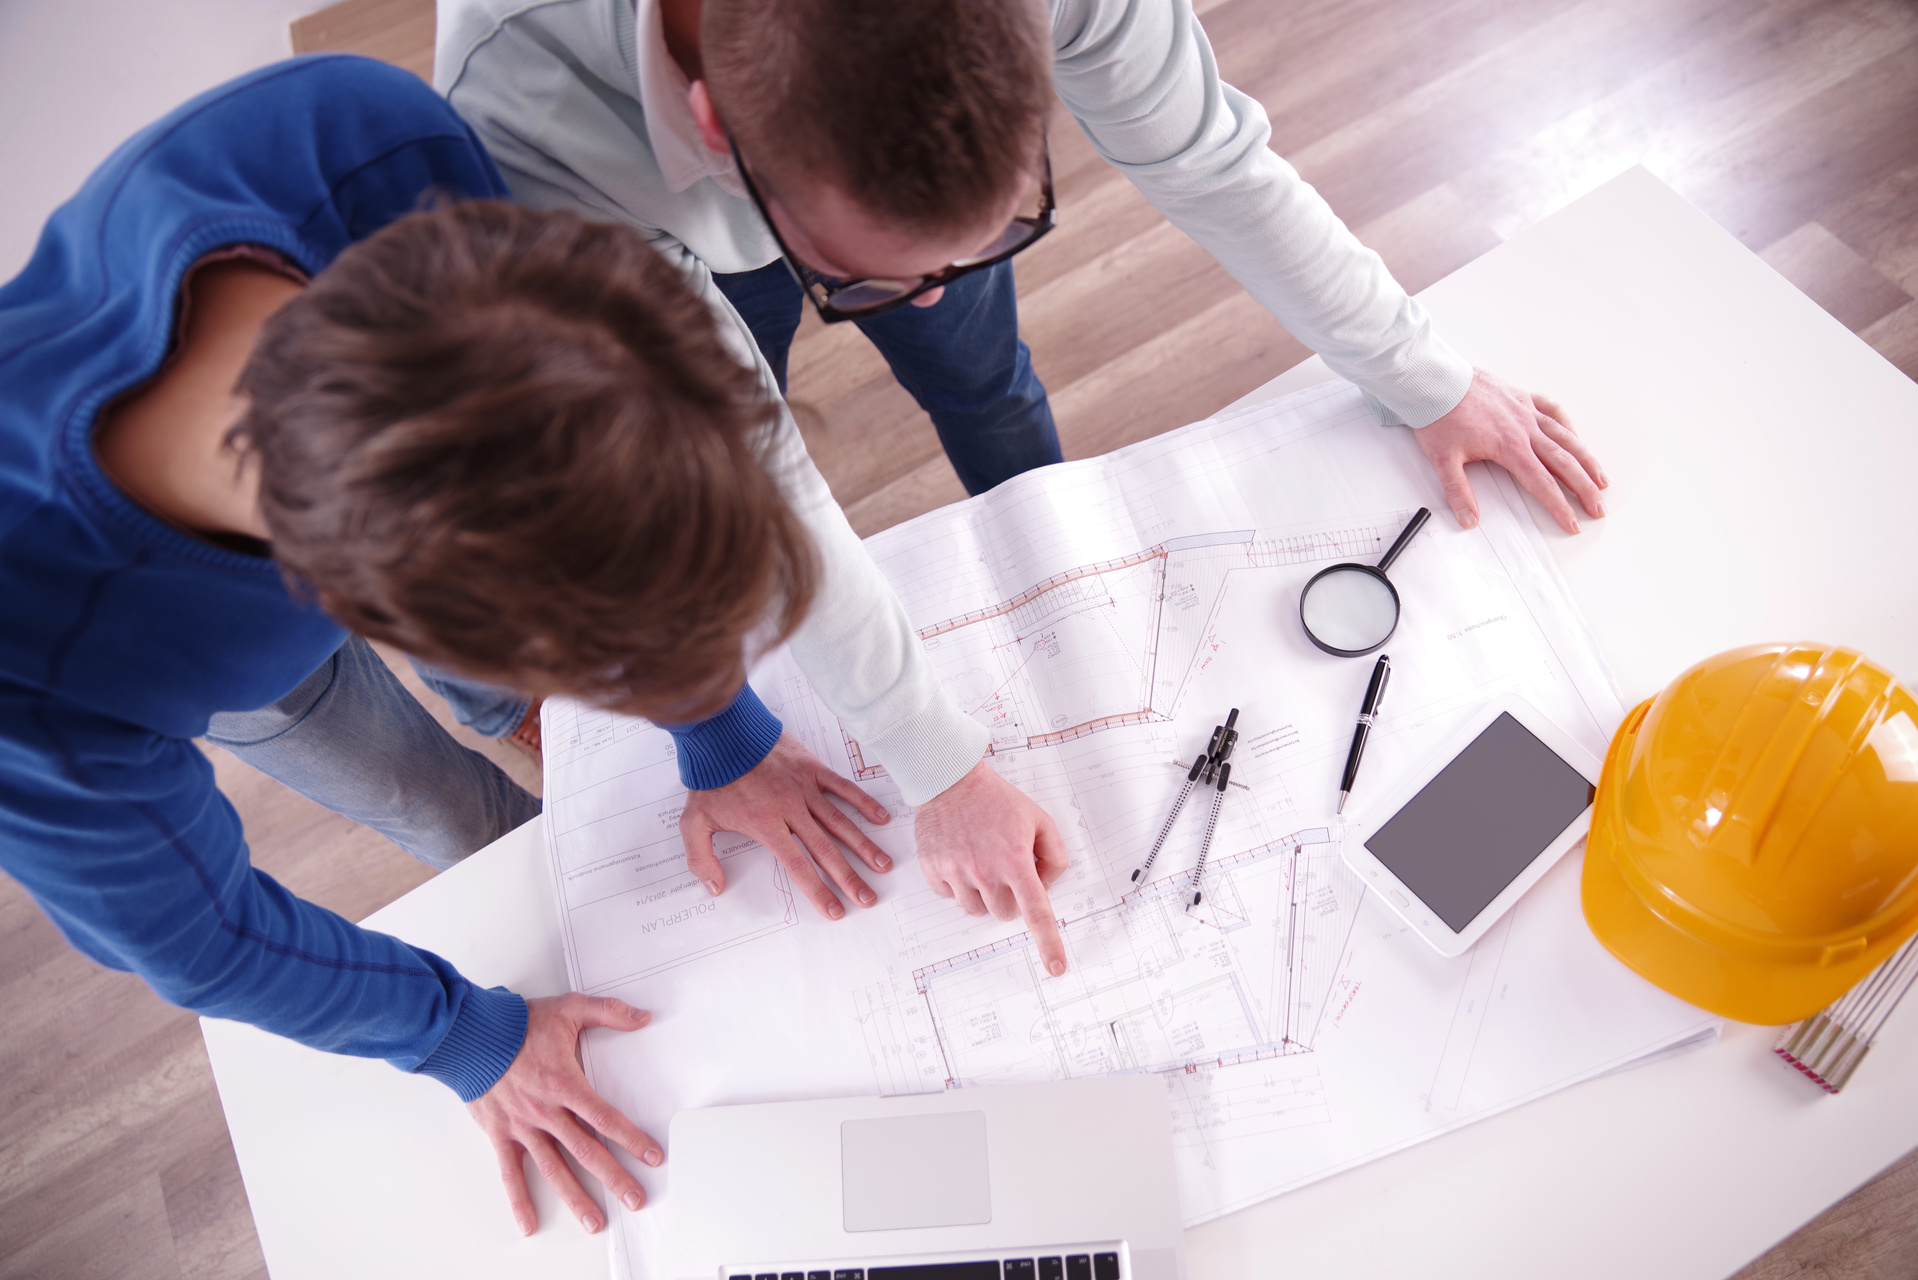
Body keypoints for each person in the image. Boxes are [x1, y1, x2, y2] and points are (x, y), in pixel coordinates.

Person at [0, 53, 1062, 1239]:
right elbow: (204, 940)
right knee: (422, 798)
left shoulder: (364, 138)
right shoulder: (37, 700)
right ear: (406, 626)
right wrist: (463, 1033)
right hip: (174, 670)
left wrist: (724, 734)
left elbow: (621, 506)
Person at [437, 0, 1608, 536]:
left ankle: (1046, 538)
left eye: (989, 234)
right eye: (871, 273)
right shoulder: (516, 93)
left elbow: (1216, 165)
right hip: (657, 232)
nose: (938, 290)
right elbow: (739, 444)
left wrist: (1423, 375)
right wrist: (923, 749)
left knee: (984, 378)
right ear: (712, 133)